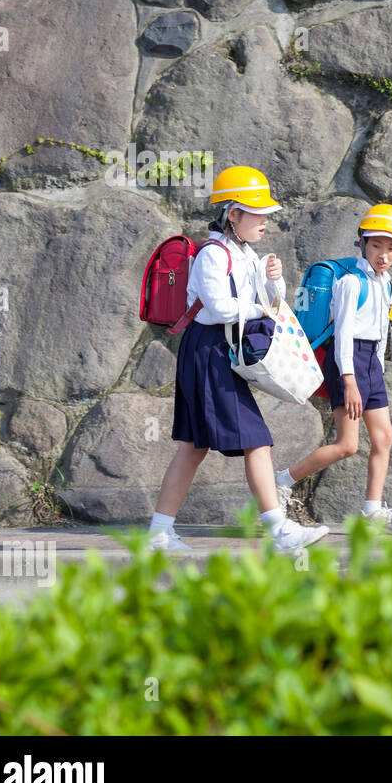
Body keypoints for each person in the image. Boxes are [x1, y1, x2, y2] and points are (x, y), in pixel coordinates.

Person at [150, 165, 330, 551]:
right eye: (257, 212)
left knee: (195, 446)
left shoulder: (245, 254)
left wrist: (273, 282)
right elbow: (215, 308)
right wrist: (259, 308)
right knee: (256, 440)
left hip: (215, 350)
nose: (265, 220)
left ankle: (158, 533)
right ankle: (279, 530)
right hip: (209, 349)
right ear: (233, 214)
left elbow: (270, 302)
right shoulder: (214, 255)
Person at [274, 205, 392, 533]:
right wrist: (350, 381)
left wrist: (377, 370)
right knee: (347, 445)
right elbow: (344, 335)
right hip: (346, 363)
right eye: (377, 245)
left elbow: (381, 333)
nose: (383, 254)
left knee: (384, 437)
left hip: (370, 365)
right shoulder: (352, 282)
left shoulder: (387, 283)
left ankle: (372, 512)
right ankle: (281, 482)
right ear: (362, 242)